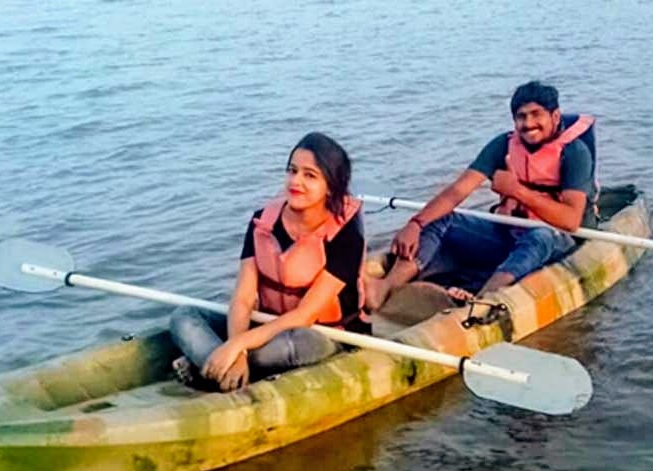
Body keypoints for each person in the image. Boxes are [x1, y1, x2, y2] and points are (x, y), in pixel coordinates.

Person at [364, 81, 598, 310]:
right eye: (521, 116)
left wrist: (517, 191)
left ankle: (480, 300)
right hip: (513, 229)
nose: (528, 123)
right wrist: (415, 223)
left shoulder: (575, 153)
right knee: (442, 218)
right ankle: (385, 287)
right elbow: (457, 191)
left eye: (537, 115)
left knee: (540, 236)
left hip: (557, 240)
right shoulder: (503, 145)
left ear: (555, 117)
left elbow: (570, 220)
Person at [168, 132, 368, 392]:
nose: (296, 181)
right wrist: (236, 348)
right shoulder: (262, 221)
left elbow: (304, 316)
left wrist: (238, 345)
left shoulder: (346, 237)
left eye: (310, 175)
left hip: (321, 334)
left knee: (295, 344)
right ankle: (229, 365)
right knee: (183, 316)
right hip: (265, 323)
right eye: (292, 171)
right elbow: (242, 299)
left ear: (330, 186)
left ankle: (209, 365)